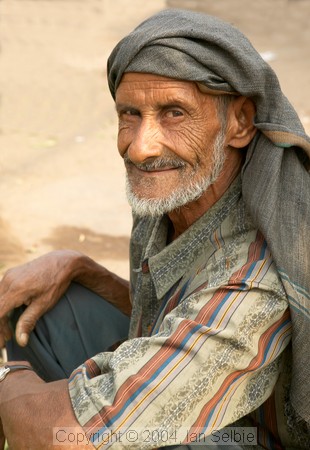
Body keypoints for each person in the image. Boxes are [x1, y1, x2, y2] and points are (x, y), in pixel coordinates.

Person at [0, 8, 309, 450]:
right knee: (43, 306)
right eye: (130, 114)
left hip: (251, 438)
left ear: (239, 122)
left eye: (174, 114)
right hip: (217, 402)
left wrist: (8, 377)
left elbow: (56, 437)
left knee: (155, 436)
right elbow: (176, 312)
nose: (142, 147)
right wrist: (82, 268)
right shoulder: (177, 189)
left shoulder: (256, 280)